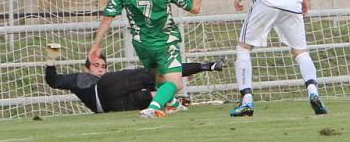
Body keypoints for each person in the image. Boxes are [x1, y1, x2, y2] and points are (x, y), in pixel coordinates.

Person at [88, 0, 202, 118]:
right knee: (176, 83)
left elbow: (108, 17)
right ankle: (153, 107)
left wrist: (96, 45)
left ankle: (172, 104)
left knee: (161, 78)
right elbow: (195, 8)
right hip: (165, 42)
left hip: (142, 45)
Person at [44, 43, 223, 113]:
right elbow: (54, 81)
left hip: (114, 108)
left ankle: (206, 68)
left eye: (103, 66)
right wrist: (51, 60)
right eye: (96, 65)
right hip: (103, 96)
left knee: (152, 94)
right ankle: (206, 66)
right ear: (86, 67)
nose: (100, 69)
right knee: (149, 74)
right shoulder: (80, 78)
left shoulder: (107, 78)